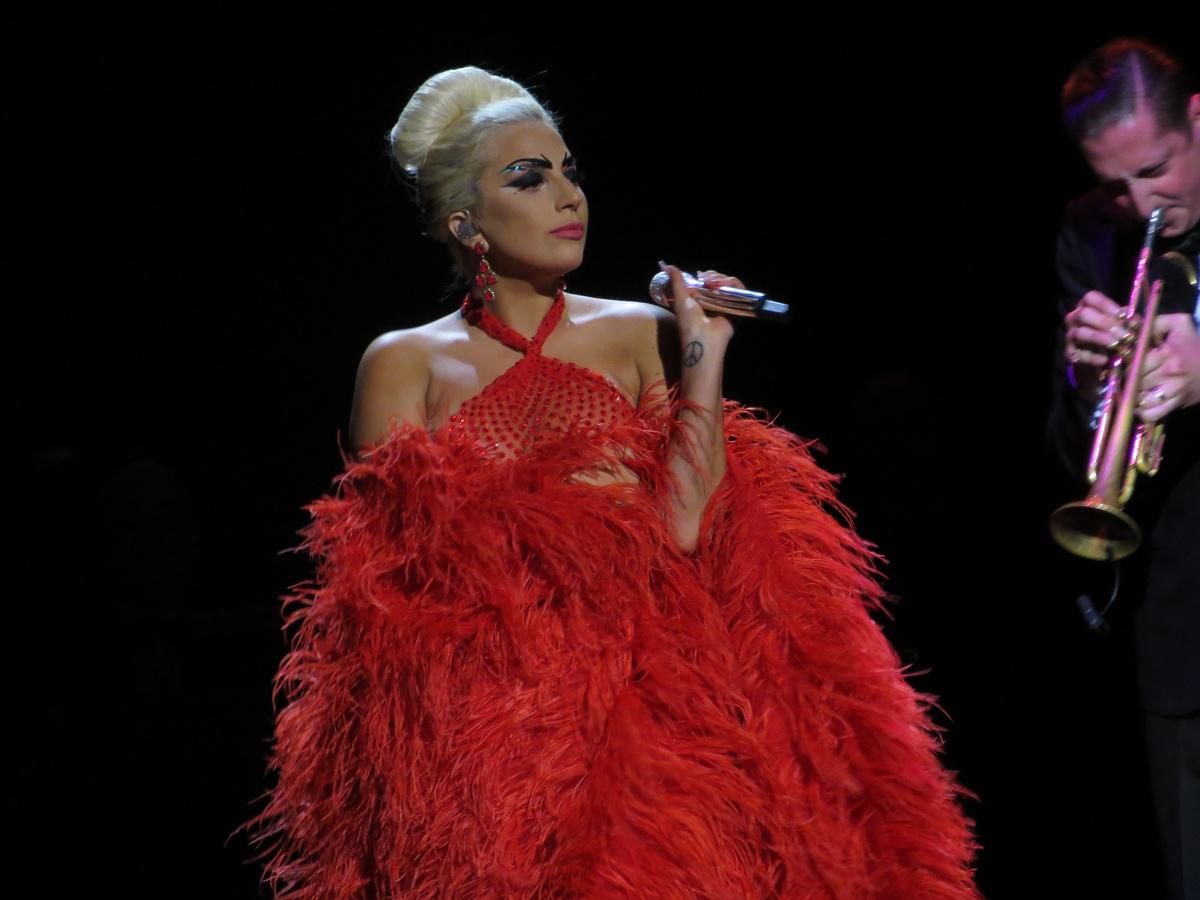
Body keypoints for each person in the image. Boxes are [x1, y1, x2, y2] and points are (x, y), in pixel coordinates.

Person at [250, 66, 977, 898]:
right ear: (466, 222)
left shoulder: (640, 334)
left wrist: (704, 348)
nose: (569, 196)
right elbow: (388, 598)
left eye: (570, 172)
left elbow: (687, 526)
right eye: (529, 178)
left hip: (649, 722)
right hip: (489, 746)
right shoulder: (403, 361)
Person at [1050, 38, 1200, 899]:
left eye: (1155, 169)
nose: (1141, 206)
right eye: (1116, 185)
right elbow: (1063, 446)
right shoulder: (1087, 229)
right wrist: (1087, 382)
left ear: (1197, 123)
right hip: (1182, 630)